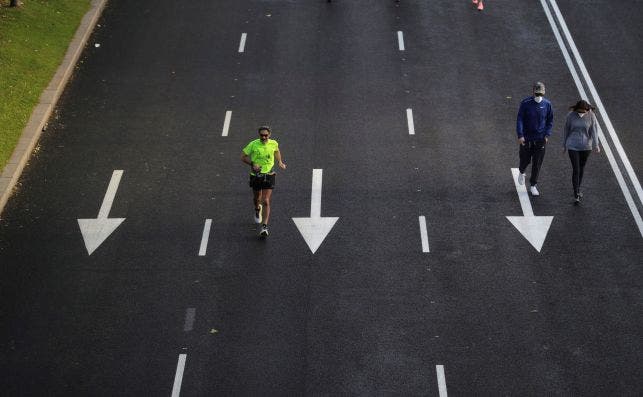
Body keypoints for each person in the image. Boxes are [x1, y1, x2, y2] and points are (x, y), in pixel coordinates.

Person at [241, 126, 286, 237]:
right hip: (256, 175)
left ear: (269, 134)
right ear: (259, 135)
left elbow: (276, 151)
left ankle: (264, 226)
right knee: (257, 198)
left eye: (266, 135)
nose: (264, 137)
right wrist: (252, 164)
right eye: (261, 135)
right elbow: (243, 157)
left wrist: (280, 161)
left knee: (266, 200)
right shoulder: (253, 144)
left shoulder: (273, 143)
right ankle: (257, 209)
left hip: (269, 174)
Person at [516, 81, 554, 196]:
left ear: (544, 92)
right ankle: (522, 171)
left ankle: (533, 185)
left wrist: (547, 135)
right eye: (537, 93)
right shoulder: (525, 103)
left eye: (540, 94)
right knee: (525, 159)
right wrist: (520, 135)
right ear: (533, 92)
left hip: (540, 139)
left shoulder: (547, 104)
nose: (539, 96)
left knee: (537, 163)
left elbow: (550, 121)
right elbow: (520, 119)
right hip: (527, 138)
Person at [562, 100, 600, 204]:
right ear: (576, 109)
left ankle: (578, 188)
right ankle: (576, 193)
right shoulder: (570, 115)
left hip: (586, 147)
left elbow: (594, 130)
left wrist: (596, 145)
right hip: (573, 146)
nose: (582, 113)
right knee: (576, 169)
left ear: (587, 110)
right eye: (580, 111)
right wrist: (564, 145)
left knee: (581, 168)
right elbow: (566, 130)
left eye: (584, 111)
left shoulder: (591, 116)